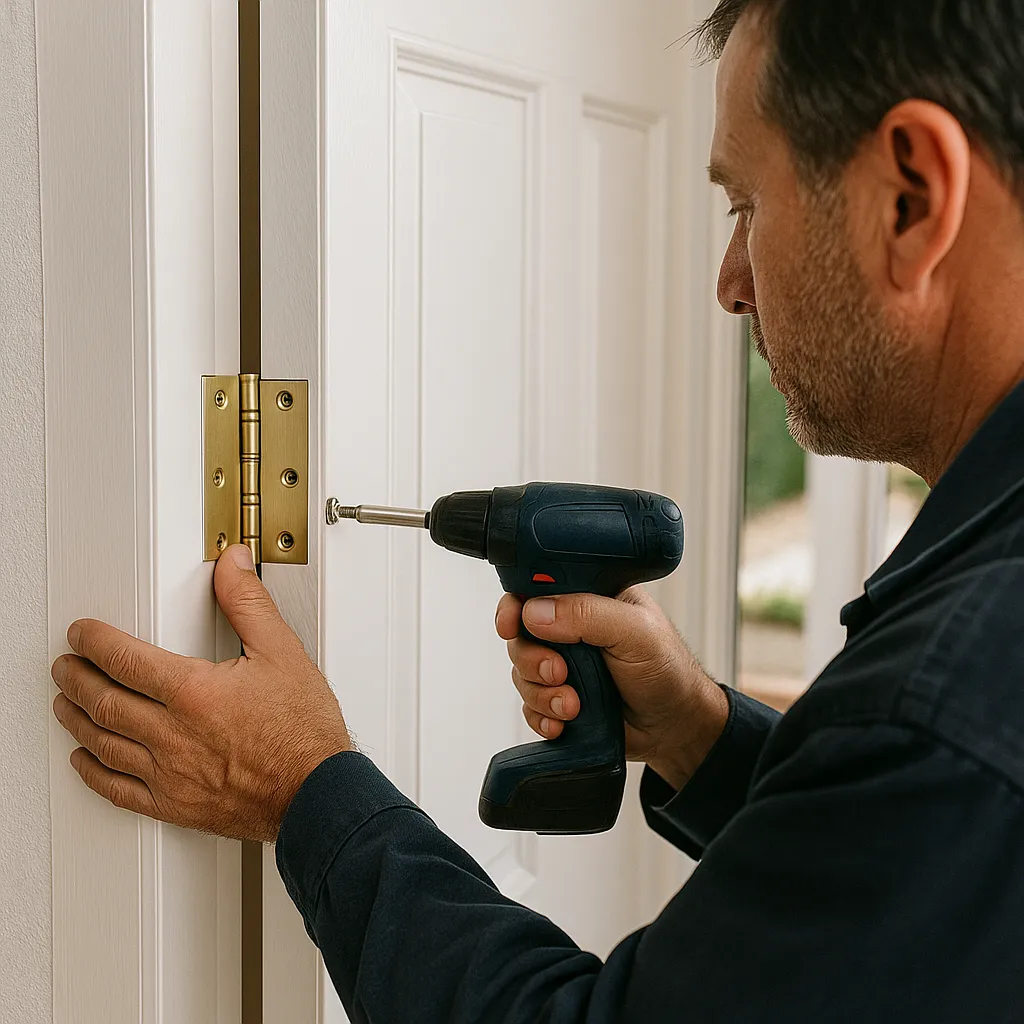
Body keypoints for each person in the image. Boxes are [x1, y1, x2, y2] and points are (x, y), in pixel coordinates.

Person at [50, 1, 1024, 1019]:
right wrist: (703, 737)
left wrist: (304, 787)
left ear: (912, 195)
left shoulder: (952, 694)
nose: (730, 282)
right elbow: (912, 873)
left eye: (744, 204)